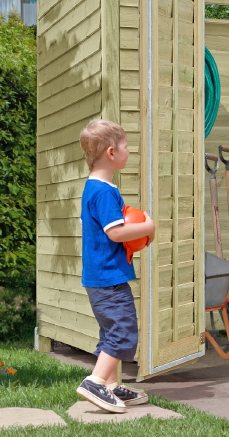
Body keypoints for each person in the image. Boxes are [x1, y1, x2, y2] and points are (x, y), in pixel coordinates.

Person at [76, 119, 156, 412]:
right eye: (125, 146)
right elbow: (116, 232)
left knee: (110, 331)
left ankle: (110, 386)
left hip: (99, 275)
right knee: (123, 330)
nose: (129, 151)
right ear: (111, 152)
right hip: (108, 277)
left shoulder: (93, 187)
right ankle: (95, 382)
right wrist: (148, 225)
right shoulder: (105, 192)